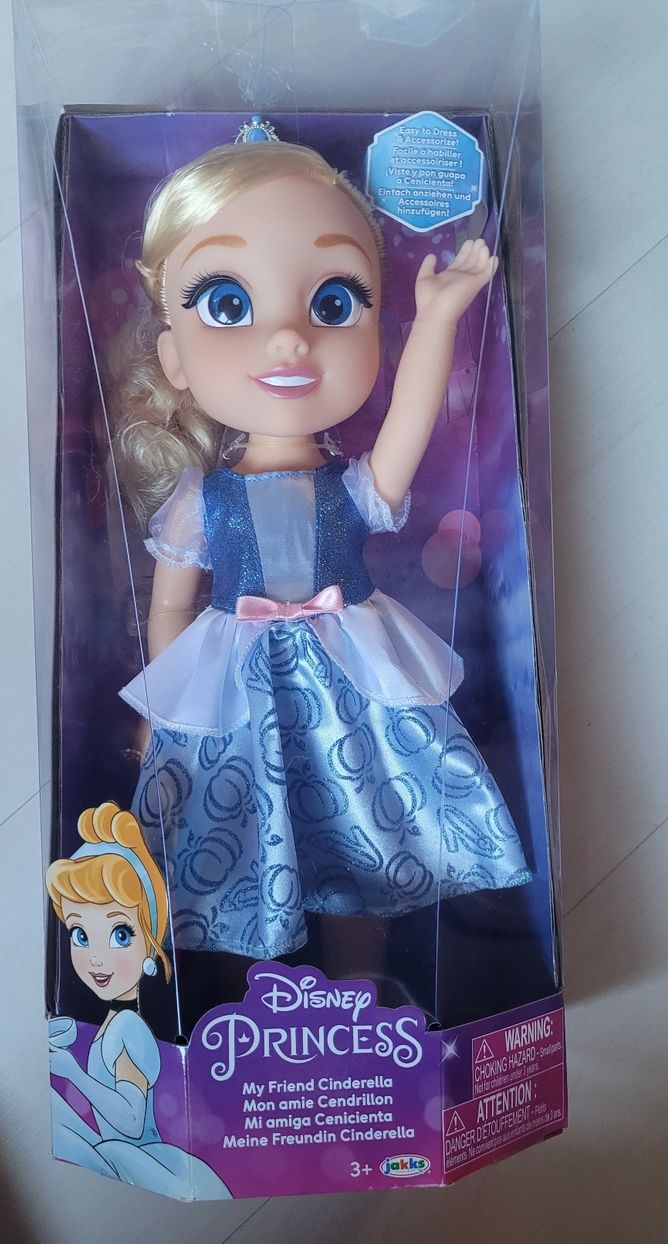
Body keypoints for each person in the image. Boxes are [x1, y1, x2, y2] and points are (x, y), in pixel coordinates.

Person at [114, 138, 532, 970]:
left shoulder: (355, 486)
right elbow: (170, 607)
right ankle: (263, 995)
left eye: (334, 302)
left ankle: (360, 984)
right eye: (228, 303)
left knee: (361, 826)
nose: (287, 341)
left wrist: (439, 317)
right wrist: (160, 709)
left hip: (353, 685)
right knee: (243, 831)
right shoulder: (202, 500)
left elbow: (408, 425)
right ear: (174, 359)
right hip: (238, 692)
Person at [46, 801, 231, 1198]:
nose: (96, 958)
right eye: (80, 935)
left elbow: (131, 1122)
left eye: (120, 935)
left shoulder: (129, 1027)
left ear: (149, 943)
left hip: (137, 1157)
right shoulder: (115, 1023)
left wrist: (73, 1073)